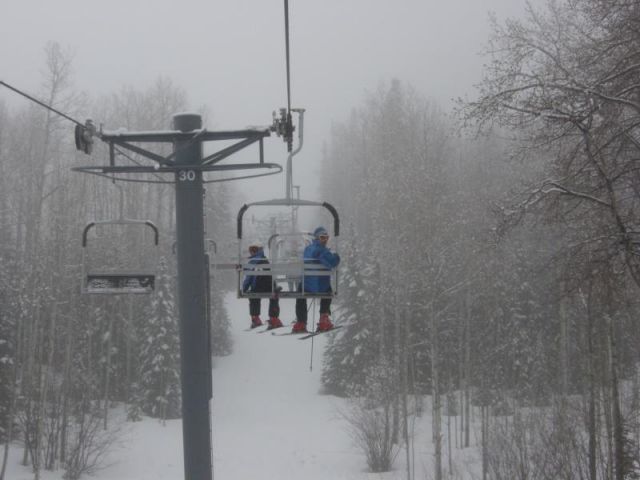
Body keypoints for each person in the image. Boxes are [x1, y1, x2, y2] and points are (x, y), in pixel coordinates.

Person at [292, 226, 340, 333]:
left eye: (326, 238)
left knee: (300, 293)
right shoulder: (322, 250)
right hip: (321, 287)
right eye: (323, 238)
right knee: (329, 291)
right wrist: (336, 256)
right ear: (317, 238)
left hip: (307, 286)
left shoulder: (307, 249)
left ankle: (301, 321)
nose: (325, 240)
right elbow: (332, 263)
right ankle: (324, 318)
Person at [242, 241, 283, 329]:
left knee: (253, 295)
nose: (251, 252)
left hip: (257, 288)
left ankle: (255, 318)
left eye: (253, 250)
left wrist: (244, 288)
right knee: (274, 296)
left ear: (256, 251)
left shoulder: (253, 261)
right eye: (251, 250)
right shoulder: (265, 259)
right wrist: (274, 287)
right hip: (269, 287)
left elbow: (249, 277)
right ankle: (274, 318)